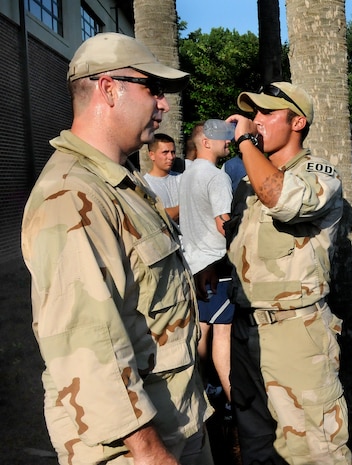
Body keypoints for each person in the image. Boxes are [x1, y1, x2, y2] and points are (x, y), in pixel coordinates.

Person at [20, 32, 213, 465]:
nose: (163, 104)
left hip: (175, 419)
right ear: (109, 89)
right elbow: (87, 345)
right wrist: (150, 454)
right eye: (154, 89)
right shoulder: (71, 195)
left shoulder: (120, 182)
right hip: (132, 445)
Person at [226, 82, 352, 465]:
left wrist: (245, 142)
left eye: (266, 113)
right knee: (256, 444)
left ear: (297, 121)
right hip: (247, 329)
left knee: (315, 450)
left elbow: (285, 201)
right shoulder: (248, 182)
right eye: (254, 114)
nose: (256, 121)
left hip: (295, 332)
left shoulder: (319, 176)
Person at [179, 119, 235, 417]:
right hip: (217, 267)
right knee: (222, 336)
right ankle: (233, 402)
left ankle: (200, 395)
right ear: (205, 142)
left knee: (201, 333)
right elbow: (223, 223)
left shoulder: (187, 175)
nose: (228, 140)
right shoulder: (216, 177)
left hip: (193, 265)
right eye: (221, 136)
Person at [144, 132, 181, 222]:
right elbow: (160, 217)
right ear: (152, 155)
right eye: (165, 152)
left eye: (173, 152)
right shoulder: (145, 185)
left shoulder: (182, 178)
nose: (171, 157)